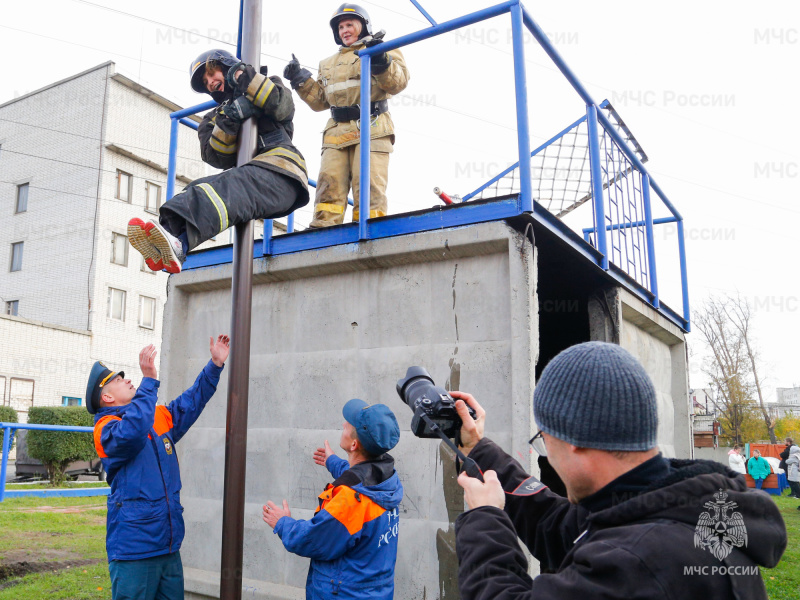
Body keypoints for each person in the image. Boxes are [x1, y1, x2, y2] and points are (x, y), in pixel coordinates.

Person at [450, 341, 787, 599]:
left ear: (575, 441)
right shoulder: (674, 508)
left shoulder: (635, 561)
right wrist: (478, 448)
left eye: (544, 441)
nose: (547, 457)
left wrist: (485, 517)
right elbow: (560, 527)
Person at [129, 49, 309, 273]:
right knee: (199, 188)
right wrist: (230, 117)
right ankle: (172, 241)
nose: (211, 83)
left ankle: (174, 240)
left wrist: (246, 80)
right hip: (252, 176)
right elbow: (217, 155)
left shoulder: (267, 84)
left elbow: (281, 105)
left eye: (213, 74)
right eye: (206, 82)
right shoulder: (212, 119)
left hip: (283, 172)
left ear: (227, 67)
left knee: (224, 188)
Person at [88, 335, 230, 600]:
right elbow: (133, 432)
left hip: (167, 546)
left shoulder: (155, 416)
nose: (128, 380)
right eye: (119, 380)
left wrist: (214, 365)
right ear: (106, 396)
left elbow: (191, 401)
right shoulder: (106, 429)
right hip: (134, 551)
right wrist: (149, 380)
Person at [262, 398, 403, 600]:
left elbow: (313, 539)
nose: (344, 424)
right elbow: (361, 477)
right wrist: (333, 462)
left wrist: (282, 522)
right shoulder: (388, 481)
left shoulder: (349, 500)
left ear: (354, 444)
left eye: (349, 424)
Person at [283, 3, 410, 227]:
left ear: (364, 25)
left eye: (349, 24)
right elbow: (321, 102)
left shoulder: (383, 49)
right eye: (340, 27)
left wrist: (380, 59)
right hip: (336, 132)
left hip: (372, 126)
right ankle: (323, 231)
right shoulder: (327, 63)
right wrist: (300, 80)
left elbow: (398, 83)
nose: (345, 30)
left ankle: (370, 230)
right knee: (328, 184)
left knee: (369, 184)